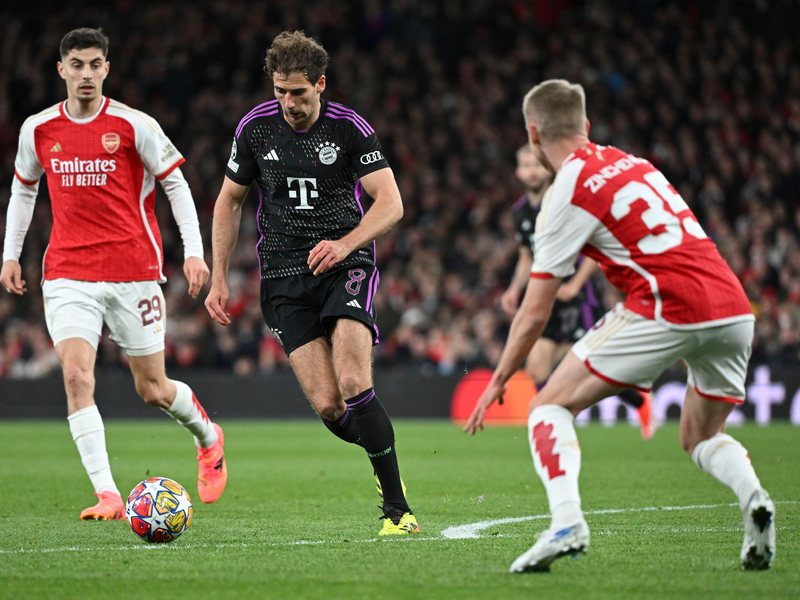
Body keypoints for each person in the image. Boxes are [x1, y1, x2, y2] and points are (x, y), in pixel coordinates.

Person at [465, 80, 774, 572]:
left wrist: (500, 378)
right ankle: (755, 497)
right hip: (733, 307)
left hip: (667, 304)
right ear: (585, 126)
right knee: (699, 436)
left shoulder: (565, 190)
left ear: (533, 132)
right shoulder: (637, 164)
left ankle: (566, 521)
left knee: (548, 405)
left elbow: (534, 309)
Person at [1, 28, 227, 520]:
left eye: (95, 64)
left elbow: (177, 185)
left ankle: (209, 438)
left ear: (107, 69)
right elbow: (23, 190)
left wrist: (194, 252)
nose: (86, 73)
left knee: (153, 389)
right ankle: (109, 495)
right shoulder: (37, 129)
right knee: (76, 374)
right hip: (68, 272)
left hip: (133, 271)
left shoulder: (134, 124)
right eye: (77, 64)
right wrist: (10, 255)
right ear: (61, 69)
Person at [205, 31, 418, 535]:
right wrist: (218, 277)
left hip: (345, 266)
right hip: (281, 273)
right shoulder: (255, 130)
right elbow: (228, 201)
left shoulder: (349, 130)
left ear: (320, 84)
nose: (289, 103)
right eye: (280, 91)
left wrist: (346, 244)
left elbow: (391, 203)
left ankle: (397, 509)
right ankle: (381, 448)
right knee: (329, 405)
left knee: (352, 381)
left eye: (298, 92)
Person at [501, 145, 655, 439]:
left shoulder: (564, 201)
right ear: (518, 172)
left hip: (577, 297)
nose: (533, 170)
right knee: (536, 367)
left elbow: (594, 248)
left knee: (588, 367)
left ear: (547, 168)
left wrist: (575, 284)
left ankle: (638, 400)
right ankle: (553, 423)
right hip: (544, 295)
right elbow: (526, 257)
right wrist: (513, 289)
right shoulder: (519, 212)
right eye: (526, 165)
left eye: (537, 164)